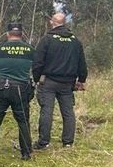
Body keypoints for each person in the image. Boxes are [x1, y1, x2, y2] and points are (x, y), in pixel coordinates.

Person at [32, 12, 88, 149]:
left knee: (46, 111)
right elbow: (82, 63)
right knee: (68, 112)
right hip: (68, 83)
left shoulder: (47, 39)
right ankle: (68, 142)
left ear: (52, 22)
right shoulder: (75, 41)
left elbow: (38, 62)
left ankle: (43, 142)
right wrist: (81, 79)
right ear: (64, 23)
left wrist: (36, 78)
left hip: (49, 82)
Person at [0, 22, 35, 159]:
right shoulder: (30, 50)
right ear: (22, 34)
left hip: (1, 88)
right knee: (23, 121)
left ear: (7, 34)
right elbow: (35, 66)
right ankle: (26, 152)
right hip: (21, 89)